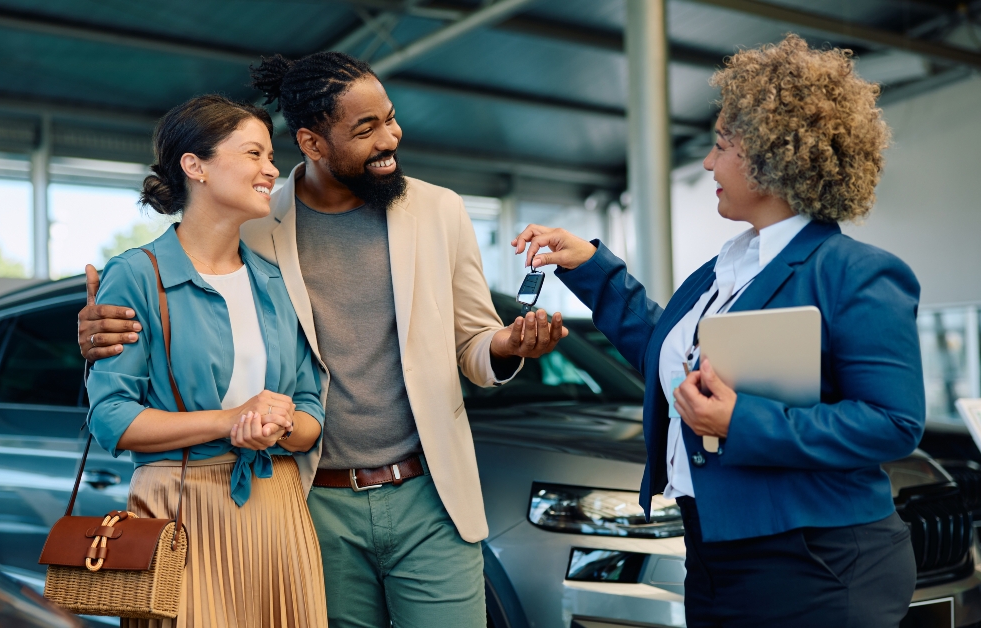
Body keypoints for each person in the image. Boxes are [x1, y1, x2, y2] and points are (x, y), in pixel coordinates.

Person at [77, 51, 567, 627]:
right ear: (312, 143)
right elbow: (184, 290)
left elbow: (473, 343)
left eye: (390, 117)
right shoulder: (256, 224)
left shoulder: (440, 211)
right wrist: (95, 329)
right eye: (366, 128)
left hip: (429, 493)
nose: (392, 136)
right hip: (309, 501)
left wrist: (507, 347)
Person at [513, 35, 922, 626]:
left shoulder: (857, 272)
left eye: (722, 146)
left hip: (817, 561)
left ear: (772, 157)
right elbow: (671, 359)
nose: (708, 163)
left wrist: (739, 422)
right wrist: (590, 269)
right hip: (714, 551)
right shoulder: (726, 267)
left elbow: (894, 423)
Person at [86, 95, 327, 627]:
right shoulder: (137, 275)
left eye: (271, 155)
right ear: (194, 166)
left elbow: (310, 412)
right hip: (179, 513)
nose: (271, 169)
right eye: (253, 154)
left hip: (277, 512)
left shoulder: (273, 279)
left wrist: (279, 425)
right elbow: (112, 418)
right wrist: (231, 422)